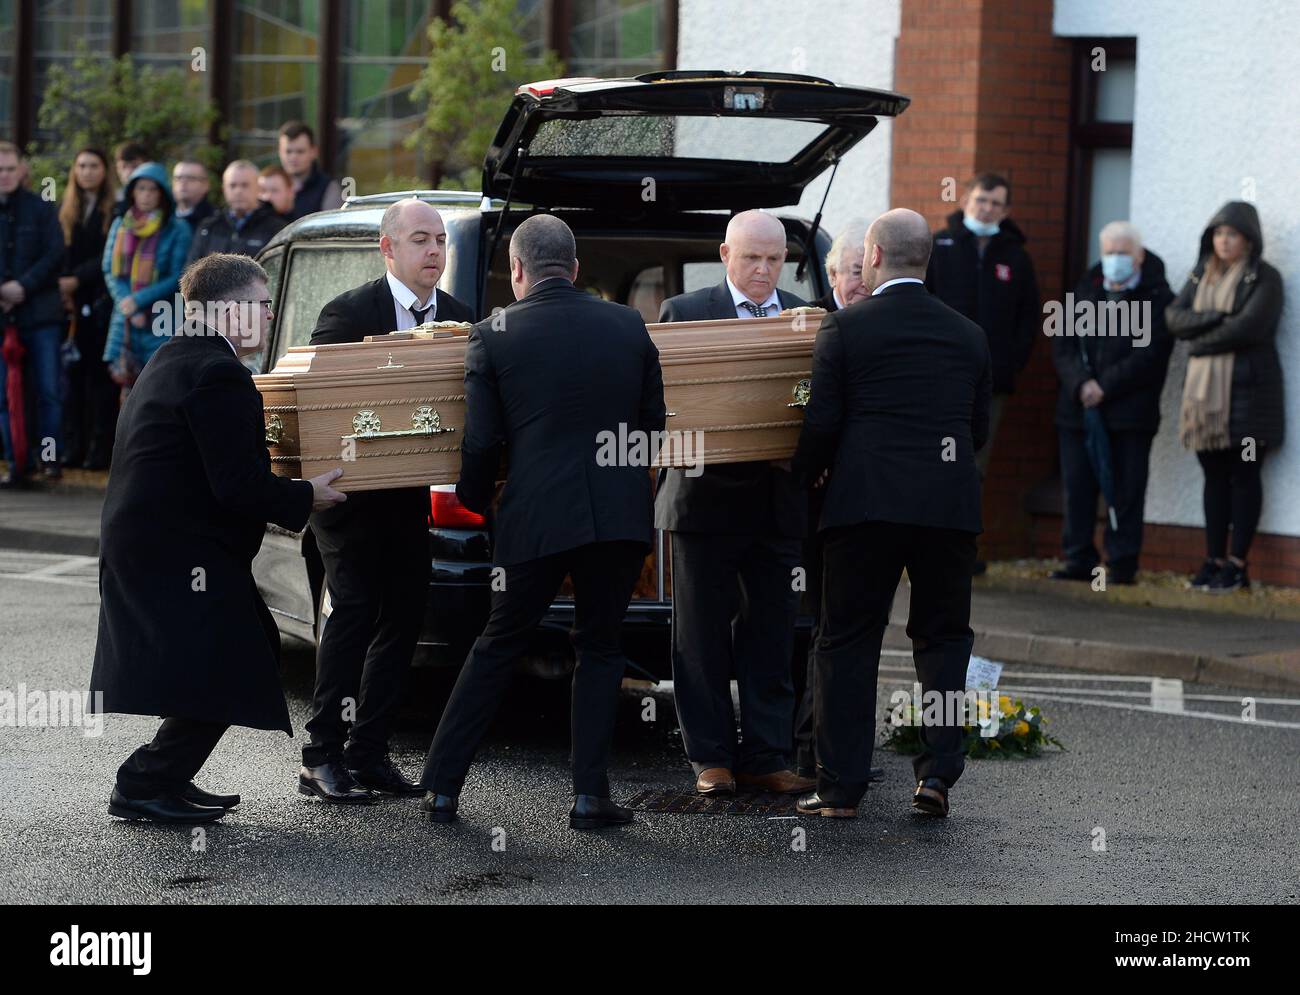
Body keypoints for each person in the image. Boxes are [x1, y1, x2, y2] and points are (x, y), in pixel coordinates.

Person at [418, 214, 666, 831]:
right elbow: (654, 426)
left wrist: (477, 502)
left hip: (535, 516)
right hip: (616, 517)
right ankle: (589, 797)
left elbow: (481, 442)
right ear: (576, 269)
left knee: (499, 643)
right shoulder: (628, 324)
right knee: (602, 649)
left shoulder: (494, 334)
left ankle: (443, 787)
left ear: (517, 272)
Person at [89, 252, 347, 823]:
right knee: (239, 654)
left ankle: (161, 776)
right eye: (260, 304)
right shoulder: (218, 372)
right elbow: (237, 485)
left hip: (158, 542)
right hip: (176, 548)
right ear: (228, 312)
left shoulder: (174, 357)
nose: (268, 313)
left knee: (227, 655)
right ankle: (144, 782)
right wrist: (308, 495)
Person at [792, 209, 991, 820]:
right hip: (948, 508)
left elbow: (822, 424)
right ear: (924, 260)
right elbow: (977, 430)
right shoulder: (969, 335)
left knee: (847, 640)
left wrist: (802, 481)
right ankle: (936, 776)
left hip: (865, 507)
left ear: (873, 257)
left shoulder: (846, 329)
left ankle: (840, 787)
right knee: (943, 640)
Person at [300, 199, 473, 803]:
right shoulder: (348, 312)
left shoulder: (460, 319)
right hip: (347, 496)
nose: (434, 251)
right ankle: (320, 754)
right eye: (421, 239)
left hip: (408, 496)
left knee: (402, 620)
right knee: (350, 615)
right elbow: (320, 403)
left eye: (442, 240)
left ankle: (369, 751)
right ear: (389, 249)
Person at [656, 209, 814, 798]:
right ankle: (711, 759)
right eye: (751, 257)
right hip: (703, 502)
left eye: (774, 259)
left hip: (776, 503)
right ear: (725, 255)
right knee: (698, 637)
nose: (763, 270)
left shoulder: (805, 317)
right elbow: (665, 404)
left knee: (772, 635)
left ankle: (766, 756)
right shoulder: (686, 313)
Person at [1166, 201, 1284, 593]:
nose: (1223, 241)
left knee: (1245, 475)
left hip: (1250, 398)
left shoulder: (1264, 278)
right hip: (1205, 403)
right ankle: (1213, 560)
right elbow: (1174, 317)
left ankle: (1237, 565)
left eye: (1231, 234)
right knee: (1213, 477)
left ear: (1248, 240)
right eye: (1218, 234)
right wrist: (1217, 318)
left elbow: (1249, 328)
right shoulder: (1201, 275)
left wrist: (1198, 344)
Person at [926, 173, 1039, 571]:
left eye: (995, 203)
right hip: (939, 383)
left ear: (1005, 210)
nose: (987, 208)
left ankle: (961, 550)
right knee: (936, 461)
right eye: (981, 200)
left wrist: (1009, 365)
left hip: (991, 385)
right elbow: (921, 306)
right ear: (966, 200)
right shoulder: (939, 247)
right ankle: (926, 548)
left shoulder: (1016, 257)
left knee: (975, 467)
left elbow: (1028, 320)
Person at [1050, 221, 1174, 586]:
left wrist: (1105, 386)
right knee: (1078, 487)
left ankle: (1121, 563)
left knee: (1127, 488)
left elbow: (1150, 354)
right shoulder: (1085, 291)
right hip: (1078, 411)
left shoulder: (1158, 298)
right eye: (1109, 252)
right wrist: (1082, 384)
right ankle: (1078, 558)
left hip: (1129, 414)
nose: (1115, 260)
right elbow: (1063, 346)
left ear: (1138, 256)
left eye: (1122, 253)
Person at [0, 141, 66, 487]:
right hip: (3, 317)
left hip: (40, 315)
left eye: (11, 168)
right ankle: (15, 464)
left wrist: (22, 286)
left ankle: (50, 460)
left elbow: (55, 253)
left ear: (22, 170)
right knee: (3, 395)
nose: (5, 176)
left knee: (47, 390)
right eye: (0, 170)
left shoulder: (41, 210)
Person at [101, 162, 192, 390]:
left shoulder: (177, 228)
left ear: (162, 193)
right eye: (141, 188)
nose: (146, 195)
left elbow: (178, 276)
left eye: (153, 189)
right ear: (132, 191)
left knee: (159, 386)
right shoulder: (120, 225)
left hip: (162, 318)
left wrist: (138, 301)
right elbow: (110, 270)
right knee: (126, 391)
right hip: (126, 320)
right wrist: (129, 307)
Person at [59, 148, 118, 470]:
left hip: (101, 302)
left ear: (105, 170)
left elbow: (108, 258)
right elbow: (61, 250)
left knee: (100, 381)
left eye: (94, 166)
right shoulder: (67, 209)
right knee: (73, 380)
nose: (87, 172)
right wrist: (64, 285)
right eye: (81, 166)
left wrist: (76, 279)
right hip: (72, 305)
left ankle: (98, 451)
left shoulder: (114, 210)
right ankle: (72, 448)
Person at [185, 160, 286, 265]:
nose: (238, 191)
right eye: (232, 185)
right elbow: (191, 271)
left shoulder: (276, 230)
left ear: (258, 189)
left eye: (245, 185)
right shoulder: (208, 228)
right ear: (224, 189)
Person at [278, 121, 343, 219]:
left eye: (300, 151)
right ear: (279, 152)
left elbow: (332, 230)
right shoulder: (267, 185)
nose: (293, 157)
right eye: (288, 151)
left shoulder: (328, 188)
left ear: (314, 152)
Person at [811, 220, 869, 312]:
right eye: (857, 273)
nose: (866, 283)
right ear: (833, 275)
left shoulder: (889, 317)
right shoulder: (809, 319)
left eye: (872, 273)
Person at [171, 160, 215, 232]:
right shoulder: (162, 217)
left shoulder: (213, 221)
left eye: (190, 178)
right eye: (178, 178)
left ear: (205, 185)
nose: (183, 183)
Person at [110, 143, 148, 218]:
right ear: (117, 169)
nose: (129, 172)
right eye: (123, 167)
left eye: (135, 166)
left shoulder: (160, 198)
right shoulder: (112, 201)